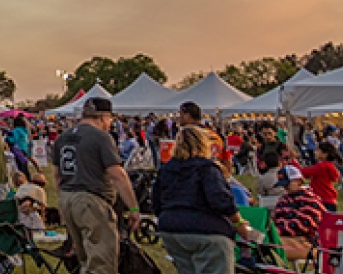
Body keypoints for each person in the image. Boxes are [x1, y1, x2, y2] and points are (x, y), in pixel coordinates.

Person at [56, 97, 141, 274]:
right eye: (109, 119)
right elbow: (117, 175)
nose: (110, 123)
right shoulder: (101, 137)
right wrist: (133, 209)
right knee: (102, 261)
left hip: (67, 196)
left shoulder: (64, 137)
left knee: (85, 258)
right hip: (91, 199)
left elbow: (57, 174)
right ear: (103, 117)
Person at [150, 126, 240, 274]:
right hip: (207, 231)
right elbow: (220, 200)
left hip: (172, 229)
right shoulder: (207, 169)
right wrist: (238, 222)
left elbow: (156, 201)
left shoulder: (166, 169)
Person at [273, 166, 326, 260]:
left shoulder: (311, 199)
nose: (285, 187)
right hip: (285, 238)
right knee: (264, 245)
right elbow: (276, 219)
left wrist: (277, 231)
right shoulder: (283, 200)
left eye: (287, 184)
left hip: (307, 242)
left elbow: (303, 225)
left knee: (271, 248)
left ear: (298, 180)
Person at [308, 141, 343, 210]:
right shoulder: (330, 166)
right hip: (330, 200)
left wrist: (293, 163)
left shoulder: (321, 166)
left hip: (321, 200)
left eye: (317, 150)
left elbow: (306, 172)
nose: (315, 152)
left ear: (325, 154)